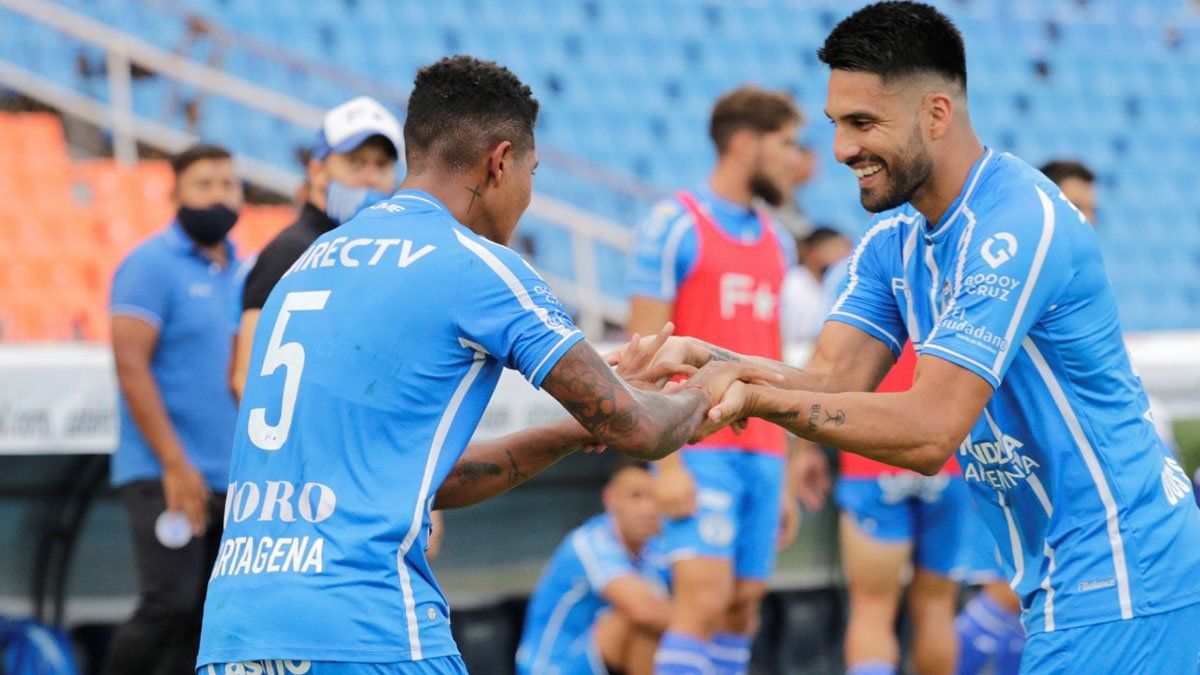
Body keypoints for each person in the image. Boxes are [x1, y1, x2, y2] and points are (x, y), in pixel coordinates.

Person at [624, 3, 1200, 673]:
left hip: (1126, 575)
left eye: (863, 123)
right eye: (837, 124)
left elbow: (930, 431)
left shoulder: (1012, 225)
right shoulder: (893, 245)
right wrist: (708, 358)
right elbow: (829, 381)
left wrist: (748, 394)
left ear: (936, 113)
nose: (841, 150)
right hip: (1062, 576)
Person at [196, 55, 769, 675]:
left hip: (237, 632)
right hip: (369, 629)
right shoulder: (479, 267)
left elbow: (417, 479)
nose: (528, 194)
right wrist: (717, 384)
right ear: (501, 162)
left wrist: (585, 426)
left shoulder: (304, 263)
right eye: (532, 172)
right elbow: (643, 429)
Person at [625, 85, 803, 675]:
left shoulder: (777, 238)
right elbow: (642, 357)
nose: (795, 160)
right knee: (700, 602)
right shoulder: (673, 223)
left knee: (742, 606)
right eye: (785, 144)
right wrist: (666, 464)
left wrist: (786, 459)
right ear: (745, 143)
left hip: (762, 448)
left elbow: (773, 359)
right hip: (695, 445)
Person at [106, 144, 244, 675]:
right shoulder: (149, 265)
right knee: (171, 603)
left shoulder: (243, 270)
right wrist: (174, 463)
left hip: (229, 480)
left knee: (213, 620)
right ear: (176, 194)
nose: (219, 195)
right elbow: (130, 365)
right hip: (163, 473)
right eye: (204, 184)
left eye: (228, 184)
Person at [231, 95, 403, 402]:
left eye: (382, 165)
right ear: (317, 171)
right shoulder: (290, 251)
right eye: (356, 162)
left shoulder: (373, 252)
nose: (371, 178)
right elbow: (245, 378)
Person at [516, 461, 671, 675]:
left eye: (655, 497)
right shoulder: (588, 541)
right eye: (636, 496)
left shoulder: (658, 547)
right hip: (550, 669)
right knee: (642, 618)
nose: (648, 509)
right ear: (611, 498)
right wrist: (703, 622)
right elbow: (644, 611)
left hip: (600, 665)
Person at [780, 227, 852, 342]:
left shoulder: (831, 284)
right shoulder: (795, 281)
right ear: (814, 250)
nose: (843, 254)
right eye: (834, 248)